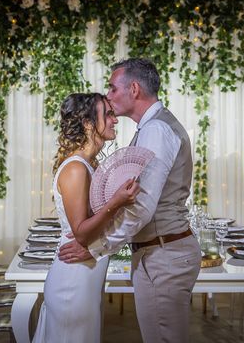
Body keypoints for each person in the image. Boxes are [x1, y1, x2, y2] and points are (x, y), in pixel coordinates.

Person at [58, 58, 201, 343]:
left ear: (133, 89)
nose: (109, 96)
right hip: (160, 252)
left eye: (112, 88)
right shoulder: (151, 128)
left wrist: (98, 247)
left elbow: (141, 206)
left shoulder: (156, 130)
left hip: (164, 255)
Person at [32, 92, 140, 343]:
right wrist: (116, 203)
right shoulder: (76, 168)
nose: (115, 120)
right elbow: (81, 232)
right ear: (89, 123)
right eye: (109, 114)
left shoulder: (89, 164)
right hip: (73, 281)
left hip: (86, 276)